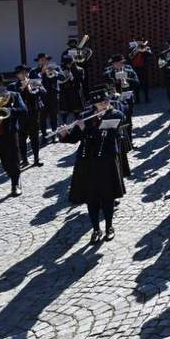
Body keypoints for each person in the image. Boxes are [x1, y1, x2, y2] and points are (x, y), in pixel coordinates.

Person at [58, 90, 126, 244]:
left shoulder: (116, 115)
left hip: (107, 161)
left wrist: (86, 129)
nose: (104, 104)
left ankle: (109, 227)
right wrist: (64, 134)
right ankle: (96, 229)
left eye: (105, 101)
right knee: (91, 197)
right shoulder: (85, 116)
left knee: (107, 196)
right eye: (100, 103)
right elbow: (74, 138)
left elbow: (109, 136)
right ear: (94, 104)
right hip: (86, 161)